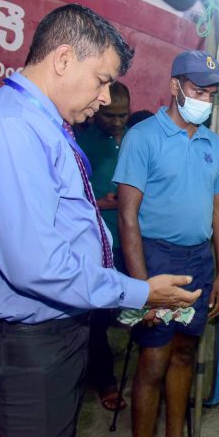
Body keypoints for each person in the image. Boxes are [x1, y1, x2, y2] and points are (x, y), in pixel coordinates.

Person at [0, 4, 199, 437]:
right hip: (21, 349)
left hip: (46, 338)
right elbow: (36, 265)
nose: (105, 98)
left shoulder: (40, 125)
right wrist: (139, 292)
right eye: (102, 80)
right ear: (63, 59)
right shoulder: (10, 129)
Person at [114, 50, 219, 437]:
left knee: (184, 352)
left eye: (211, 94)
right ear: (174, 87)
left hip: (198, 260)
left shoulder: (213, 144)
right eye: (198, 91)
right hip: (156, 259)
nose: (205, 100)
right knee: (153, 361)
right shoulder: (143, 137)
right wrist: (142, 287)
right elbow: (127, 217)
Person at [76, 80, 131, 412]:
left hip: (135, 240)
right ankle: (104, 379)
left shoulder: (136, 139)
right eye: (110, 115)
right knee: (98, 316)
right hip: (99, 243)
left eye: (123, 115)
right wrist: (104, 203)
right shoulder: (82, 144)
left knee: (139, 311)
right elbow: (68, 200)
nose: (117, 121)